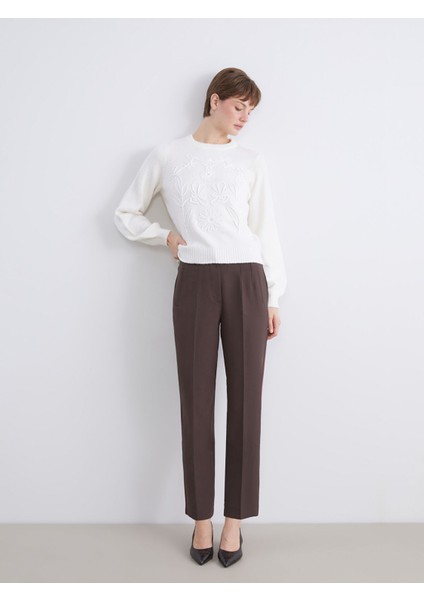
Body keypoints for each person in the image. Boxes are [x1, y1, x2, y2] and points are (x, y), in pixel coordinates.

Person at [114, 67, 288, 567]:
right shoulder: (167, 156)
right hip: (195, 281)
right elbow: (125, 213)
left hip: (248, 280)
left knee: (246, 402)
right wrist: (165, 237)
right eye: (239, 107)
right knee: (196, 400)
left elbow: (266, 229)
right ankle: (201, 520)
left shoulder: (251, 161)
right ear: (215, 100)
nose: (245, 118)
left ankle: (235, 521)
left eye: (250, 112)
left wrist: (274, 296)